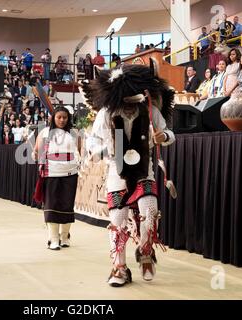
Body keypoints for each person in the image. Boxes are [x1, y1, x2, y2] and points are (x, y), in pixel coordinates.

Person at [81, 63, 175, 286]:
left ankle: (145, 251)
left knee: (150, 210)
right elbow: (93, 140)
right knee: (118, 219)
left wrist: (165, 137)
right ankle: (119, 266)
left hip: (144, 168)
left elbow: (169, 133)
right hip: (117, 169)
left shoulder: (150, 109)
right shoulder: (106, 112)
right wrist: (102, 152)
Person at [33, 106, 80, 250]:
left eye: (64, 117)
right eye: (59, 117)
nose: (62, 120)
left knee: (67, 205)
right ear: (53, 117)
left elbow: (79, 152)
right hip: (51, 173)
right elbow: (36, 151)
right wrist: (36, 155)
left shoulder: (74, 133)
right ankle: (53, 239)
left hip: (70, 174)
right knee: (51, 205)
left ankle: (64, 236)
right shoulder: (45, 132)